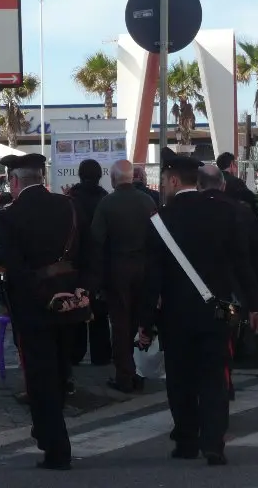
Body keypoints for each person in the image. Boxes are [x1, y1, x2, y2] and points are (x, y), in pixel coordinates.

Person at [139, 148, 258, 466]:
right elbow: (242, 265)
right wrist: (254, 305)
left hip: (175, 314)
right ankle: (214, 442)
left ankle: (185, 439)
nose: (162, 187)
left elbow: (151, 278)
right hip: (218, 309)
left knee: (179, 378)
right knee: (215, 376)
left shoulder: (160, 221)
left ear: (173, 179)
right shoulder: (226, 212)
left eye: (164, 181)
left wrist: (145, 322)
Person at [0, 153, 78, 470]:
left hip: (31, 306)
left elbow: (12, 266)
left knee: (39, 378)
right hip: (67, 300)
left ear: (14, 181)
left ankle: (55, 446)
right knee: (60, 370)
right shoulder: (66, 205)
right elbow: (83, 250)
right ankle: (49, 433)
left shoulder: (8, 216)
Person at [197, 165, 258, 401]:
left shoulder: (189, 211)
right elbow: (253, 258)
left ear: (199, 185)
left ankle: (210, 387)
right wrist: (255, 301)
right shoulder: (241, 212)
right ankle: (224, 383)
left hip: (198, 291)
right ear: (223, 185)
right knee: (226, 340)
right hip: (232, 291)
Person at [91, 159, 157, 392]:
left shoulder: (107, 203)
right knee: (142, 319)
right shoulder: (148, 201)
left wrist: (96, 278)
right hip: (144, 268)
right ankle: (140, 370)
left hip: (117, 269)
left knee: (120, 323)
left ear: (112, 179)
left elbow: (97, 241)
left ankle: (124, 374)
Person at [66, 159, 111, 367]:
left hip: (77, 262)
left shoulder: (72, 198)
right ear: (100, 175)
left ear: (79, 174)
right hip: (100, 261)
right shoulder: (105, 198)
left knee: (76, 307)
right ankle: (101, 355)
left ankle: (75, 353)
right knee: (100, 312)